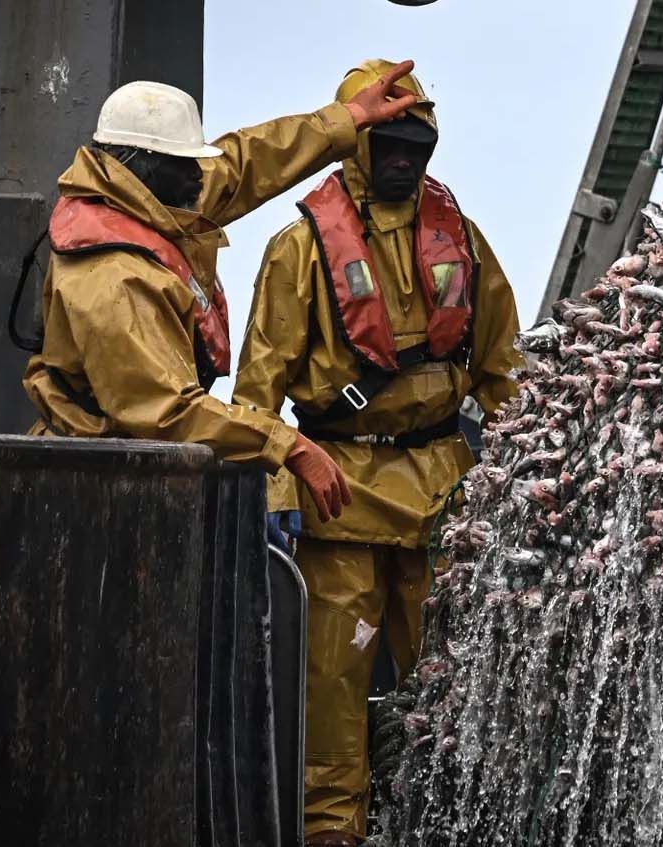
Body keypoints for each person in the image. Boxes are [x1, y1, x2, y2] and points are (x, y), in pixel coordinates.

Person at [230, 59, 523, 846]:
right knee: (331, 705)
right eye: (385, 141)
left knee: (459, 693)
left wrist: (521, 476)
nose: (401, 156)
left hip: (446, 504)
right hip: (340, 503)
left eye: (414, 144)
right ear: (355, 143)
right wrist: (276, 497)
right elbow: (257, 394)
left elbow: (505, 373)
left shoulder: (460, 238)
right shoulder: (299, 251)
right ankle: (335, 836)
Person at [20, 66, 421, 519]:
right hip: (92, 485)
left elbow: (243, 163)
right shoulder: (114, 277)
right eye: (186, 162)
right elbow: (164, 413)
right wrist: (284, 443)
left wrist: (343, 119)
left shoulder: (146, 197)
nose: (200, 174)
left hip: (131, 468)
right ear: (144, 164)